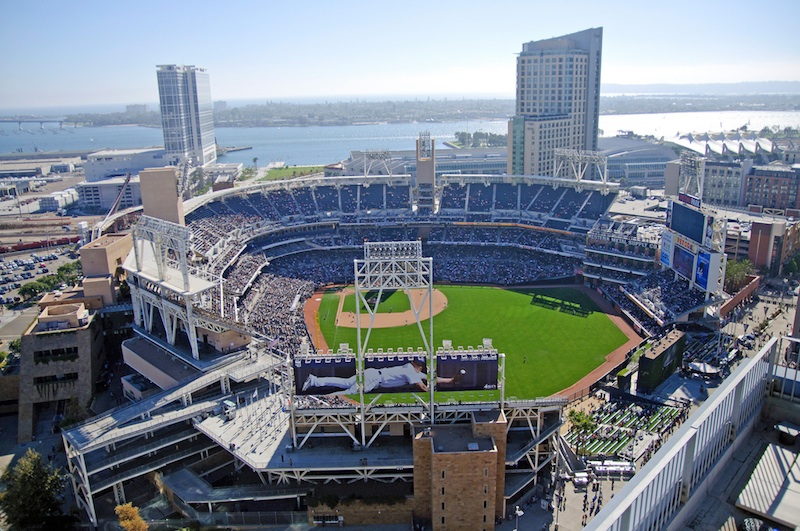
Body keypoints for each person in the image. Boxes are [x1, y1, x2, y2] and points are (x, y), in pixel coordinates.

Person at [302, 360, 455, 394]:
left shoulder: (410, 369)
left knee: (345, 382)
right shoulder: (410, 372)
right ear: (419, 366)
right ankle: (327, 399)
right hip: (375, 380)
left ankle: (314, 380)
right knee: (350, 393)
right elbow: (422, 386)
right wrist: (431, 394)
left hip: (371, 373)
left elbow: (428, 378)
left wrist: (449, 380)